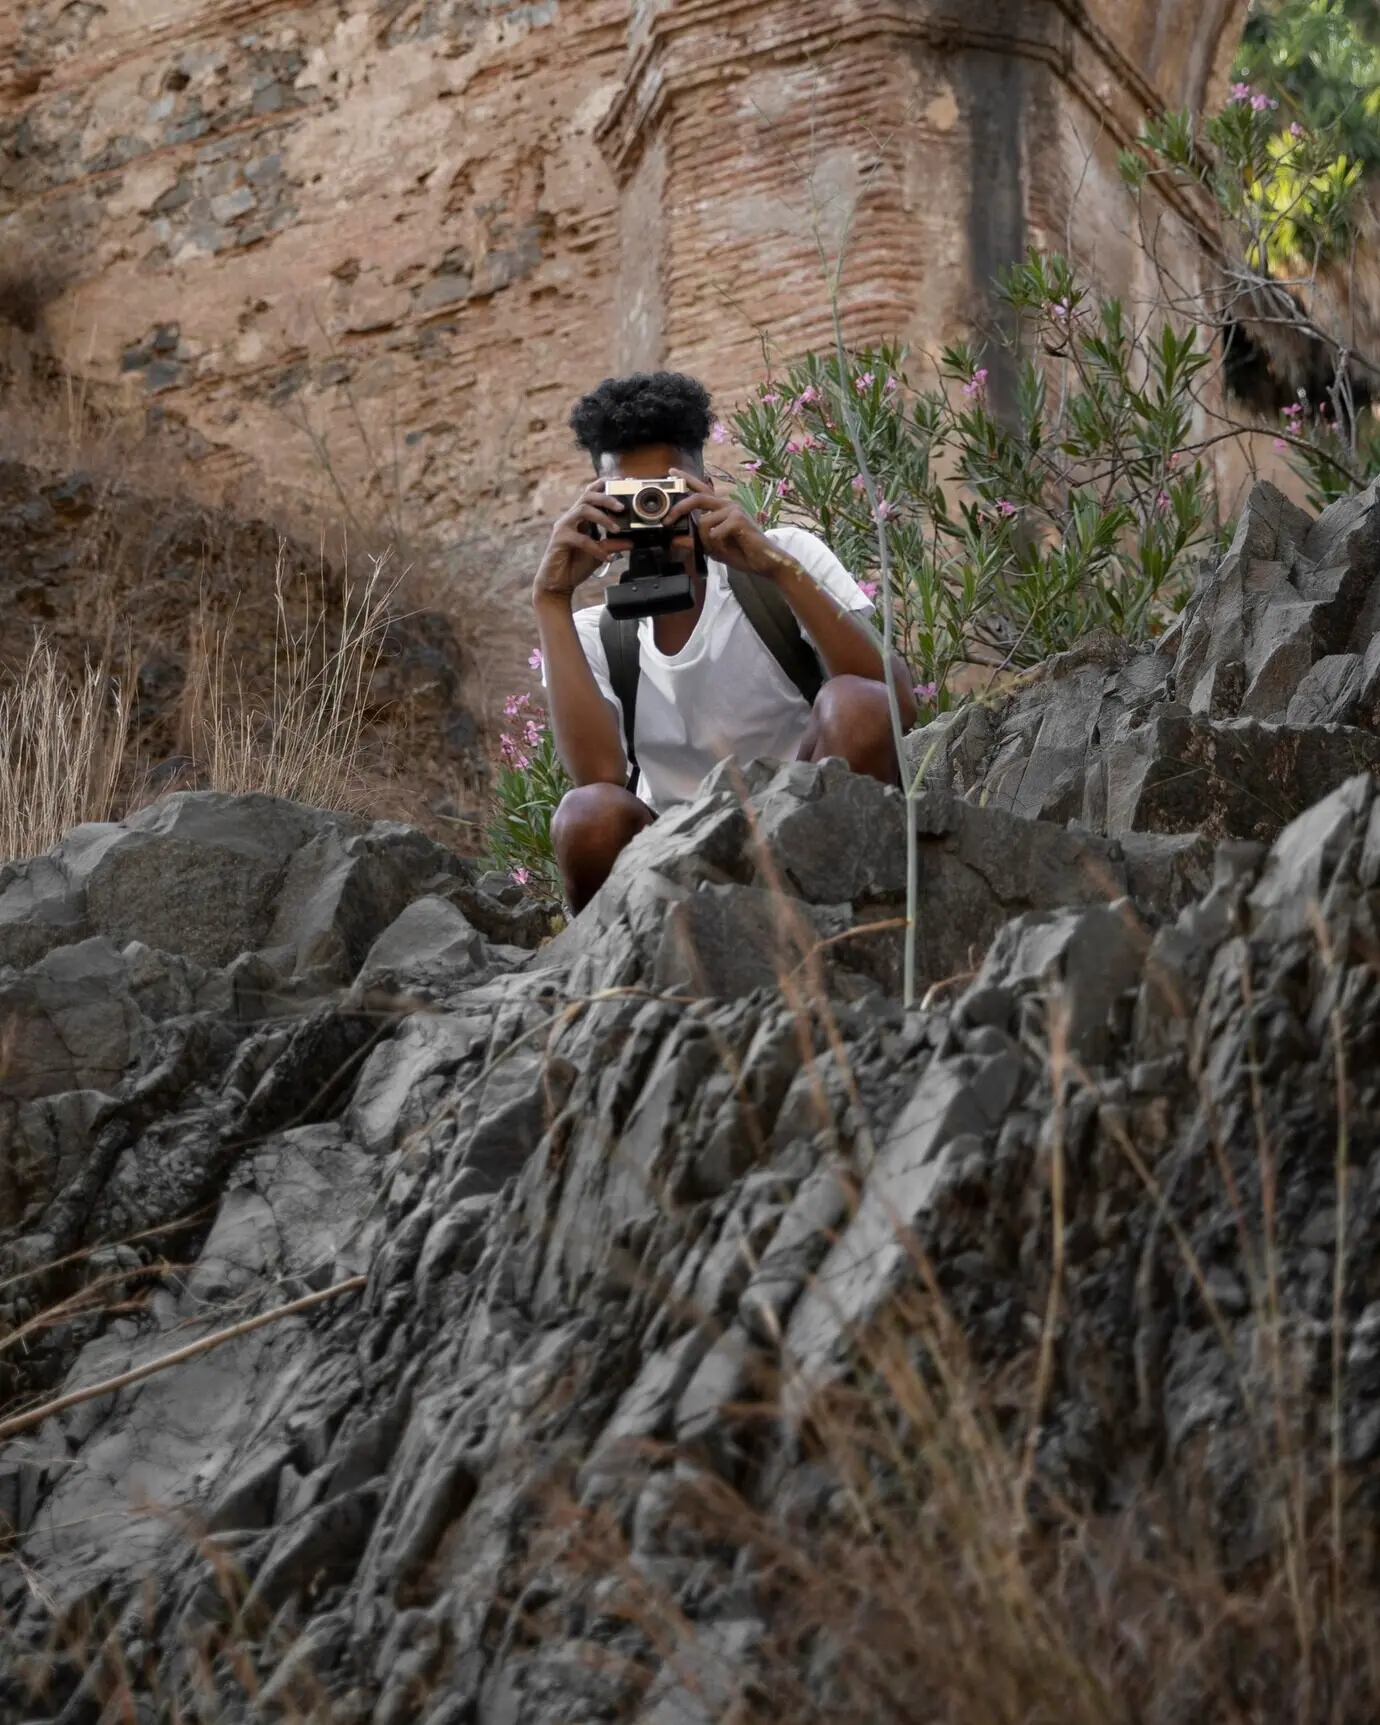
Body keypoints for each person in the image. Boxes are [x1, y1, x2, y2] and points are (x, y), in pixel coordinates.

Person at [533, 370, 916, 912]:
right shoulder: (597, 634)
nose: (653, 517)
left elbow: (894, 703)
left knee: (856, 704)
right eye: (630, 501)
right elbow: (598, 781)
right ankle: (629, 973)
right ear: (598, 509)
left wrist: (774, 568)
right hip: (675, 864)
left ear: (705, 490)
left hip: (808, 826)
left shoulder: (784, 558)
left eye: (664, 496)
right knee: (584, 815)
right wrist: (550, 601)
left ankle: (846, 923)